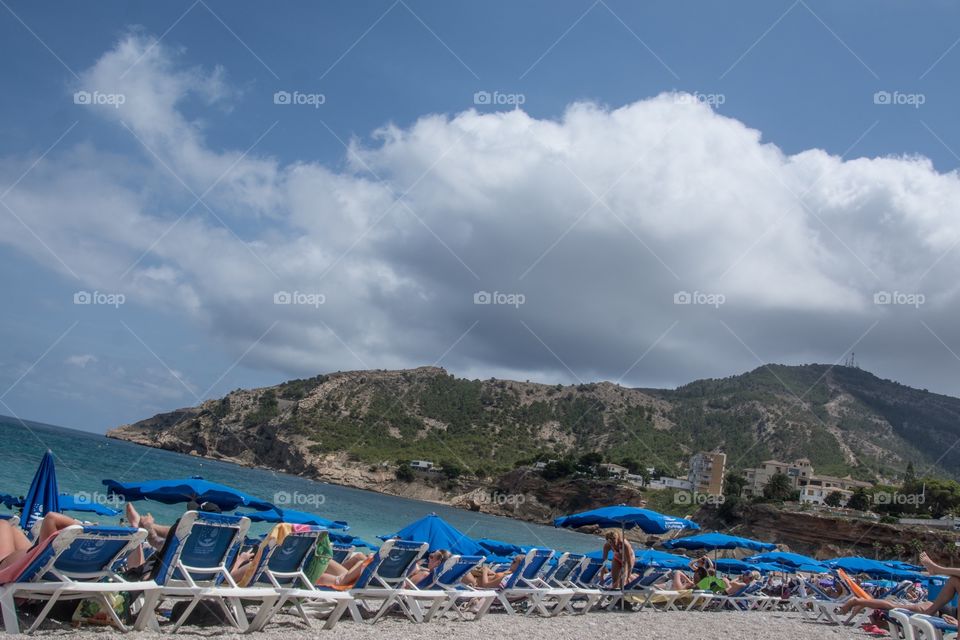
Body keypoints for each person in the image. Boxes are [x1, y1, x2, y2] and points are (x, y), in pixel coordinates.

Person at [0, 512, 80, 571]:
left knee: (3, 523)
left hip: (10, 567)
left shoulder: (46, 554)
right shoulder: (79, 559)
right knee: (13, 529)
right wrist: (83, 527)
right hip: (30, 559)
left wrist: (78, 526)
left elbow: (51, 517)